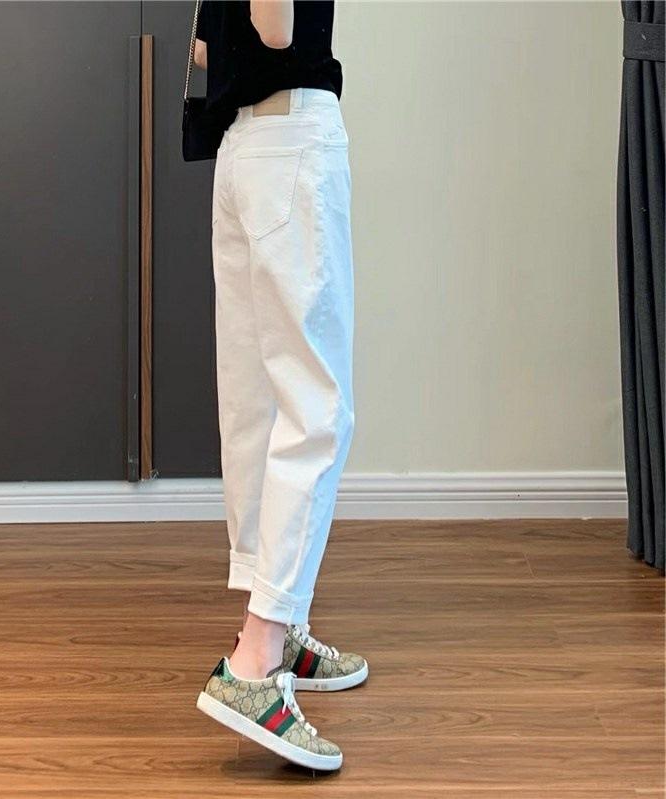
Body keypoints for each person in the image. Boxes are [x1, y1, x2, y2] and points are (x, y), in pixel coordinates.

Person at [192, 0, 367, 772]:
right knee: (315, 407)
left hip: (243, 151)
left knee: (257, 403)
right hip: (292, 141)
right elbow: (275, 28)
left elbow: (207, 49)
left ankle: (277, 624)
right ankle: (256, 657)